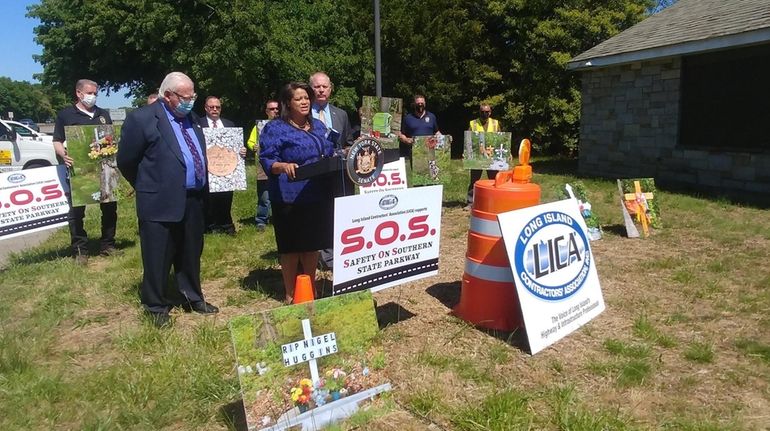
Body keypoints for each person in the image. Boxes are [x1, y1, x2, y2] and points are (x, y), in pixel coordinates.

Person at [117, 71, 218, 328]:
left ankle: (192, 296)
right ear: (169, 96)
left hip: (193, 198)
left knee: (190, 251)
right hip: (158, 200)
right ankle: (155, 306)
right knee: (157, 255)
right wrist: (146, 185)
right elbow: (127, 160)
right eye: (186, 96)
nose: (191, 101)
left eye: (193, 96)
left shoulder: (192, 119)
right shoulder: (142, 119)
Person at [259, 82, 335, 303]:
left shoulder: (318, 126)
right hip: (288, 195)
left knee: (311, 246)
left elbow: (329, 150)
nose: (304, 102)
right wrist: (282, 166)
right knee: (292, 247)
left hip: (316, 193)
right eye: (299, 99)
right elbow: (267, 159)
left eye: (306, 98)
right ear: (287, 103)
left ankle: (309, 289)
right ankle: (291, 293)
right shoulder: (275, 128)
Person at [52, 79, 116, 265]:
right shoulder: (65, 115)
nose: (93, 96)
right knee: (76, 212)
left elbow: (110, 138)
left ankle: (108, 245)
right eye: (90, 93)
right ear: (79, 93)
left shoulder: (103, 114)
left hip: (104, 170)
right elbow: (57, 140)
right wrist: (63, 155)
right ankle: (80, 249)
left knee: (110, 208)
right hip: (78, 171)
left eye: (95, 93)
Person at [309, 72, 353, 270]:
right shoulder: (303, 113)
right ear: (311, 89)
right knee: (320, 212)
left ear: (330, 89)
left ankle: (339, 250)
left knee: (338, 211)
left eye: (324, 86)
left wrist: (347, 150)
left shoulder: (341, 114)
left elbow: (348, 142)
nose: (321, 90)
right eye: (317, 87)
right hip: (313, 173)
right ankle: (322, 253)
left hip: (338, 174)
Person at [198, 96, 244, 235]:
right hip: (207, 167)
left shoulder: (229, 124)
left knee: (226, 197)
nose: (214, 109)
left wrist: (241, 150)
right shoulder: (198, 124)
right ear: (206, 108)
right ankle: (211, 225)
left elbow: (235, 145)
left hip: (226, 168)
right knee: (208, 198)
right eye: (211, 107)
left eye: (217, 107)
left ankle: (227, 224)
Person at [246, 99, 280, 231]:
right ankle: (261, 220)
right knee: (264, 196)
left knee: (279, 194)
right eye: (272, 109)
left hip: (280, 165)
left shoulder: (284, 125)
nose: (275, 111)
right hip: (263, 167)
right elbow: (251, 141)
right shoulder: (259, 127)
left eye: (277, 108)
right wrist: (253, 146)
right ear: (266, 111)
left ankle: (278, 218)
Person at [467, 103, 501, 207]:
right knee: (474, 180)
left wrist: (507, 153)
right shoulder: (473, 123)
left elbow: (501, 139)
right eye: (482, 112)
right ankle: (470, 202)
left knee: (494, 180)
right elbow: (468, 139)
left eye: (487, 112)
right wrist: (466, 153)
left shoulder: (495, 123)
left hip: (492, 155)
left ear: (490, 112)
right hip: (477, 156)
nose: (484, 113)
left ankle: (494, 201)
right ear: (479, 112)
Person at [398, 95, 440, 165]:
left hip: (430, 151)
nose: (420, 105)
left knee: (430, 173)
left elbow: (437, 132)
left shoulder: (432, 116)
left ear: (425, 104)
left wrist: (445, 139)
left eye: (422, 103)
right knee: (416, 174)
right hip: (414, 152)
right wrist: (406, 140)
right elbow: (401, 134)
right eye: (418, 103)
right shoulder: (408, 118)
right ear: (414, 105)